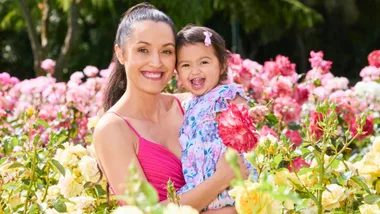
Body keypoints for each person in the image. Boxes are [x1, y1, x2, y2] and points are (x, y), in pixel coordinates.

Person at [93, 3, 248, 213]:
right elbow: (143, 211)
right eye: (143, 50)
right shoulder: (113, 129)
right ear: (121, 54)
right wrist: (220, 180)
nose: (156, 62)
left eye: (166, 51)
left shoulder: (192, 105)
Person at [175, 25, 263, 211]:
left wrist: (250, 114)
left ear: (222, 64)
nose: (195, 71)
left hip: (230, 177)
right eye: (186, 65)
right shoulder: (188, 104)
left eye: (204, 62)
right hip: (201, 181)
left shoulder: (226, 93)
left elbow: (242, 115)